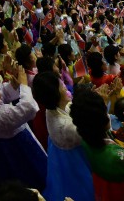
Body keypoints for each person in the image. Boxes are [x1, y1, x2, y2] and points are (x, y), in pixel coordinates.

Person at [0, 66, 48, 190]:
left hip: (9, 147)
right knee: (37, 176)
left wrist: (14, 84)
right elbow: (28, 107)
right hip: (21, 149)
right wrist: (23, 85)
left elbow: (1, 92)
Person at [32, 71, 95, 201]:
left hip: (59, 153)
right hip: (76, 158)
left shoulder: (52, 109)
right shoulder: (66, 126)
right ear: (55, 95)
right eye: (61, 86)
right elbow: (93, 131)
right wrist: (98, 105)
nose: (65, 86)